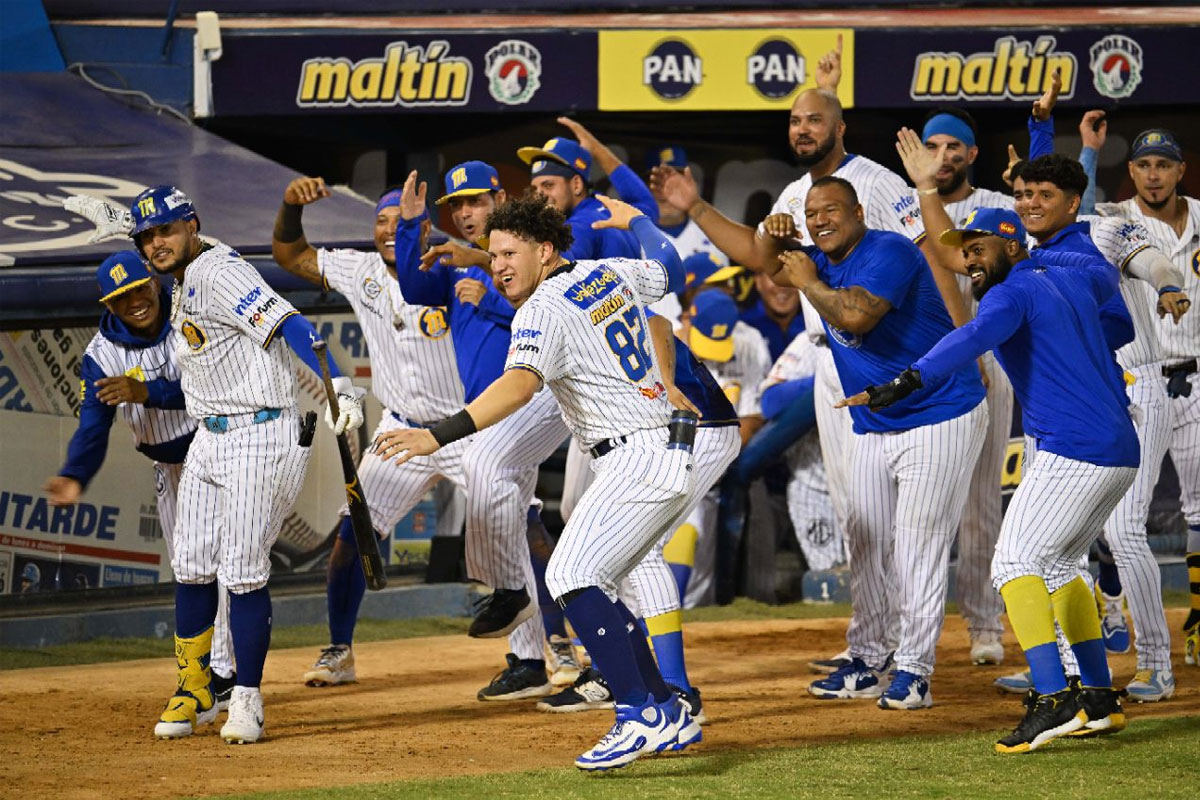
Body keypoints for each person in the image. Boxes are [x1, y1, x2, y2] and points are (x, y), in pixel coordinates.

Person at [374, 192, 701, 771]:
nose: (497, 264)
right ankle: (665, 708)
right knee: (601, 581)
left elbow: (519, 387)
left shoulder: (542, 309)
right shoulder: (608, 271)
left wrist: (435, 436)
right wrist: (641, 221)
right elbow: (670, 266)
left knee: (572, 575)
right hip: (654, 449)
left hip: (637, 456)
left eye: (508, 252)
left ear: (544, 250)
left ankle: (638, 714)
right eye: (492, 254)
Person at [652, 88, 944, 672]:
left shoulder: (880, 184)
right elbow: (760, 258)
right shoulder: (794, 194)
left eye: (815, 120)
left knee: (897, 523)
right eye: (794, 121)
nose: (802, 128)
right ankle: (871, 641)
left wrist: (961, 342)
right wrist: (697, 207)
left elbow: (933, 254)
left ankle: (913, 651)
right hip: (828, 358)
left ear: (841, 128)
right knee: (857, 517)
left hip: (883, 356)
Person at [839, 208, 1133, 753]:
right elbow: (1118, 308)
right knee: (1063, 565)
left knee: (1014, 563)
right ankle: (1096, 695)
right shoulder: (1072, 276)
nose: (970, 260)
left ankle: (1052, 699)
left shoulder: (1010, 294)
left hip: (1075, 446)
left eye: (980, 248)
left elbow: (971, 336)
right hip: (1116, 446)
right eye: (965, 250)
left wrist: (906, 380)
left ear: (1014, 247)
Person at [127, 184, 364, 744]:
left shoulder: (218, 271)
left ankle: (247, 699)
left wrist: (342, 386)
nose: (156, 243)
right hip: (208, 436)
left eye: (165, 230)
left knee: (242, 570)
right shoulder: (183, 278)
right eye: (146, 236)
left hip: (260, 434)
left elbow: (291, 325)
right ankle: (197, 687)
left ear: (193, 224)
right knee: (188, 564)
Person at [762, 177, 987, 710]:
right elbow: (768, 263)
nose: (820, 220)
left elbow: (856, 315)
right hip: (878, 417)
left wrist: (808, 281)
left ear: (859, 211)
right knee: (862, 537)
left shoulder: (887, 249)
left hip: (941, 410)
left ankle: (915, 670)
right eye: (812, 213)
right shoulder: (816, 256)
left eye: (831, 210)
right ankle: (869, 658)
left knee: (916, 545)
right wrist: (774, 238)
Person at [270, 175, 464, 691]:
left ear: (422, 226)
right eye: (381, 219)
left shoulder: (453, 266)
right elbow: (291, 255)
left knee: (514, 533)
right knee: (352, 533)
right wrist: (291, 206)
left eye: (400, 219)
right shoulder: (360, 271)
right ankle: (340, 650)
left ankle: (547, 649)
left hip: (470, 426)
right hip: (402, 427)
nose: (388, 228)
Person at [1008, 154, 1189, 701]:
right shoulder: (1035, 250)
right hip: (1067, 403)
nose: (1030, 204)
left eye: (1044, 194)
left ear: (1071, 199)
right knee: (1057, 544)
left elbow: (1154, 259)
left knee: (1124, 529)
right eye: (1024, 194)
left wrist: (1166, 286)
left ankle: (1156, 662)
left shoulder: (1105, 230)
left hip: (1133, 387)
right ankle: (1067, 663)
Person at [399, 163, 576, 698]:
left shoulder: (521, 254)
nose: (465, 212)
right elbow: (412, 287)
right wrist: (412, 226)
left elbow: (547, 307)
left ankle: (522, 603)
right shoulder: (458, 262)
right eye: (456, 205)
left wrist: (493, 295)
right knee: (510, 521)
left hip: (538, 393)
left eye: (475, 200)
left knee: (488, 475)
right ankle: (528, 659)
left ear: (500, 196)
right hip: (494, 410)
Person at [43, 248, 237, 707]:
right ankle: (203, 675)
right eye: (119, 298)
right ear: (108, 305)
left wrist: (145, 392)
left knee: (230, 566)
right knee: (191, 570)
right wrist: (75, 474)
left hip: (212, 451)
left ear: (153, 281)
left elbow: (207, 390)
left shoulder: (187, 317)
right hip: (166, 470)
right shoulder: (101, 356)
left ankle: (226, 673)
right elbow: (92, 425)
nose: (133, 302)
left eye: (136, 289)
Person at [896, 111, 1017, 665]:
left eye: (952, 147)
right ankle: (903, 634)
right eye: (932, 145)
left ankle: (985, 624)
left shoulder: (998, 204)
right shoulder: (902, 204)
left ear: (971, 154)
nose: (941, 155)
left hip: (992, 358)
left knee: (980, 505)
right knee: (912, 506)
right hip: (923, 360)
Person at [1097, 128, 1200, 670]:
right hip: (1143, 378)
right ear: (1132, 171)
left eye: (1164, 164)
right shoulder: (1116, 220)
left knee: (1199, 509)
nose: (1153, 174)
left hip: (1197, 377)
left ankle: (1195, 625)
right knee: (1115, 512)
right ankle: (1111, 603)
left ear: (1180, 169)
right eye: (1144, 165)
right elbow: (1071, 205)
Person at [518, 117, 658, 261]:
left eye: (549, 185)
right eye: (535, 188)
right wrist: (596, 149)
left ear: (576, 184)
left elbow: (557, 269)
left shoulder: (581, 225)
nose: (540, 195)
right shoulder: (621, 213)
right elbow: (646, 203)